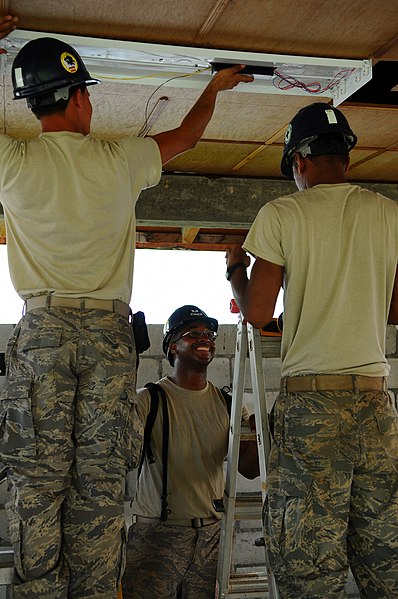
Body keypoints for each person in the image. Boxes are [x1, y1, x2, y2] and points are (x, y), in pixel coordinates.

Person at [0, 14, 254, 599]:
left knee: (39, 482)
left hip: (42, 330)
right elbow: (187, 137)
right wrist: (214, 89)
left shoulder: (14, 162)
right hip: (108, 337)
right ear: (81, 101)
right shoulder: (118, 160)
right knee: (98, 482)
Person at [226, 102, 398, 598]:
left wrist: (237, 270)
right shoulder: (388, 214)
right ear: (345, 156)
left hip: (313, 407)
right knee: (385, 552)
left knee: (308, 561)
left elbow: (257, 314)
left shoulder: (282, 214)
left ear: (298, 162)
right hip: (375, 403)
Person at [121, 305, 259, 599]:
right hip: (158, 536)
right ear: (173, 346)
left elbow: (249, 469)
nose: (205, 338)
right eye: (193, 333)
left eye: (209, 333)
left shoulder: (230, 405)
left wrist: (259, 435)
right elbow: (121, 453)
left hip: (210, 537)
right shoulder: (150, 400)